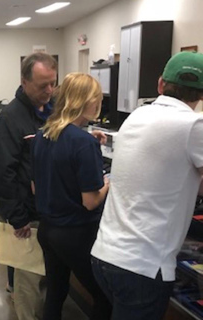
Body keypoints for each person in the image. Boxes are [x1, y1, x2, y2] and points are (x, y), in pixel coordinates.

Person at [91, 51, 203, 320]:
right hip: (142, 268)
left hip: (105, 255)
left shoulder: (137, 115)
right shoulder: (194, 125)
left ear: (160, 84)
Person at [33, 73, 111, 320]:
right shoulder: (82, 143)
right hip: (76, 233)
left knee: (56, 290)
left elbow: (37, 187)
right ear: (86, 101)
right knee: (104, 297)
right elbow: (90, 201)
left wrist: (90, 141)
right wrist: (109, 184)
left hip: (48, 230)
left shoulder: (42, 135)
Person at [0, 52, 57, 320]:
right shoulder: (10, 118)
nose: (49, 91)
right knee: (28, 284)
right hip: (27, 217)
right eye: (43, 85)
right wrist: (17, 218)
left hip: (51, 213)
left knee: (48, 281)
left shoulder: (51, 112)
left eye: (53, 83)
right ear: (24, 82)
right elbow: (3, 173)